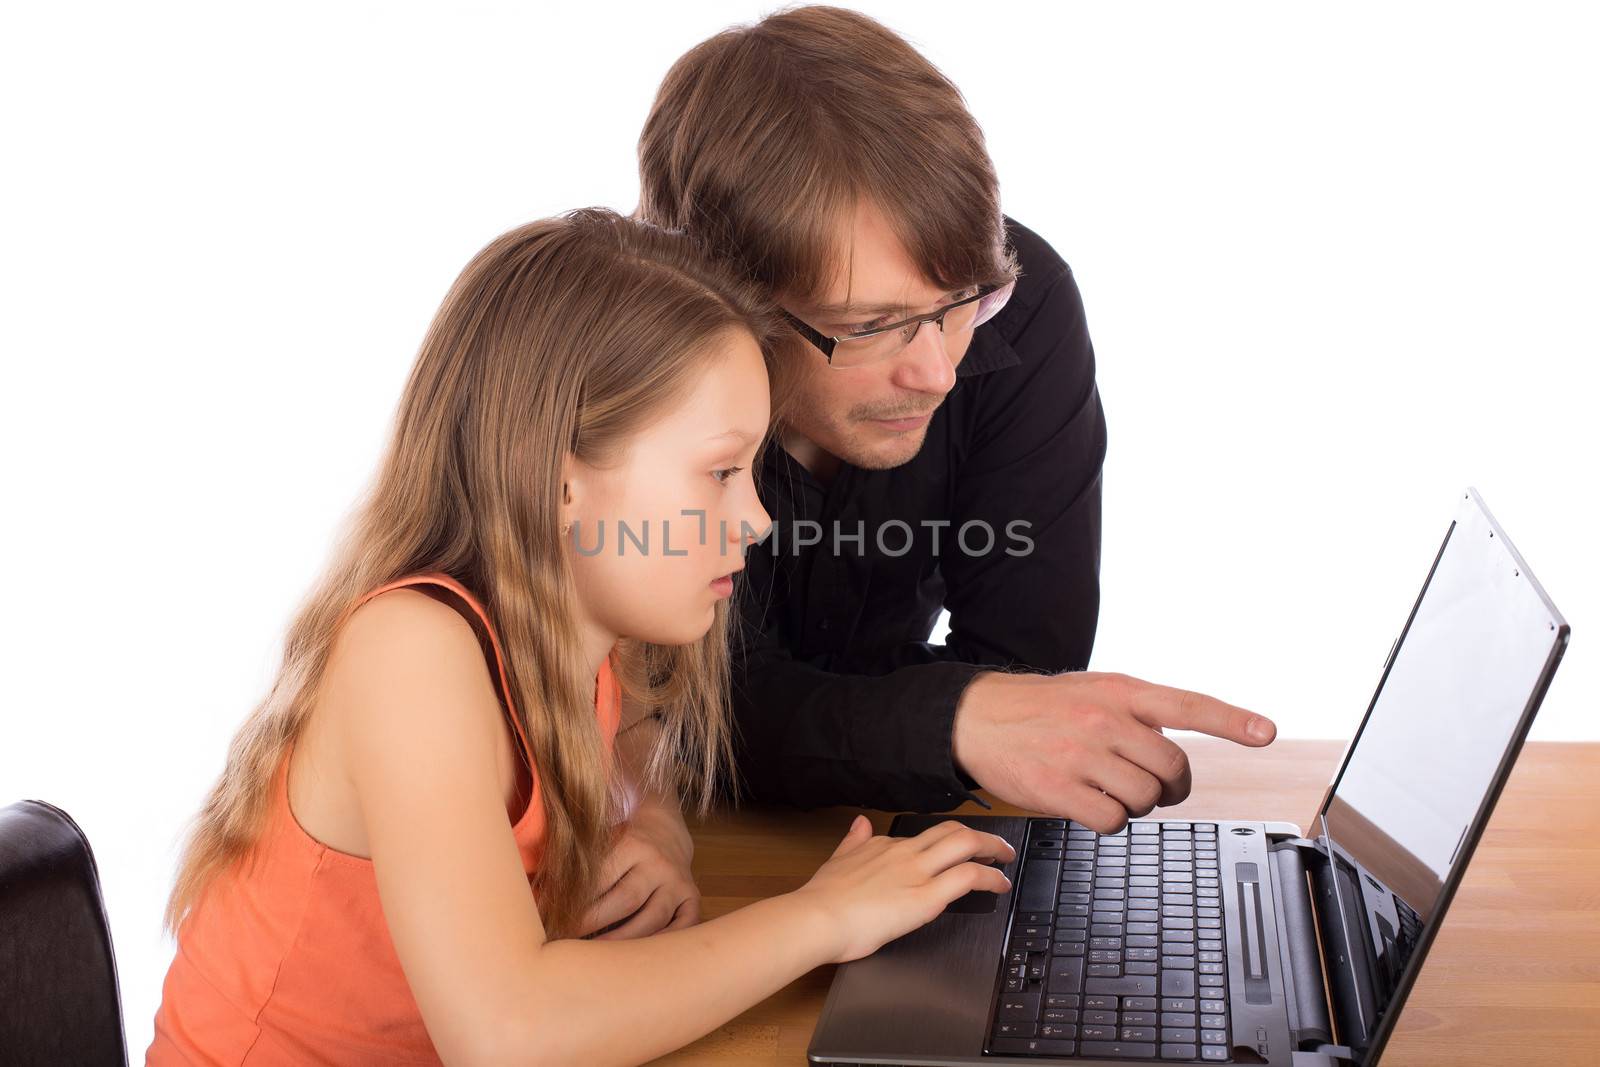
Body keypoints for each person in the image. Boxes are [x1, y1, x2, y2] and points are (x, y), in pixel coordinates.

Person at [146, 208, 1015, 1066]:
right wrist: (822, 915)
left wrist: (662, 833)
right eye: (719, 471)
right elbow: (507, 1035)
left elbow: (635, 740)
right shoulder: (413, 650)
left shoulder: (595, 631)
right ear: (561, 484)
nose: (753, 518)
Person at [633, 4, 1278, 826]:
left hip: (898, 844)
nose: (937, 370)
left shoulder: (1025, 300)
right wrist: (955, 719)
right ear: (726, 303)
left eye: (958, 304)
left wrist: (958, 718)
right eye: (868, 325)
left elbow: (1028, 671)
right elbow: (693, 709)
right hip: (703, 840)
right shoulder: (628, 368)